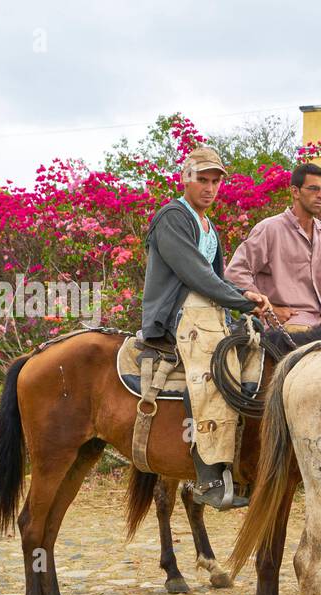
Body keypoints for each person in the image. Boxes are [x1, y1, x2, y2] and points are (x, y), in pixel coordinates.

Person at [140, 146, 273, 510]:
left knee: (255, 352)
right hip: (177, 313)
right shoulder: (172, 217)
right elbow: (195, 275)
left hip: (207, 309)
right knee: (216, 372)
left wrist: (244, 294)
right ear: (185, 179)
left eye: (215, 181)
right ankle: (207, 476)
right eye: (202, 180)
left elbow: (214, 277)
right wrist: (242, 301)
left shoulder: (207, 225)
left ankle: (239, 460)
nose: (210, 188)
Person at [226, 163, 321, 334]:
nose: (320, 195)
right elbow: (235, 273)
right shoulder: (270, 229)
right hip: (288, 326)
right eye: (313, 189)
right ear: (295, 192)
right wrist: (269, 308)